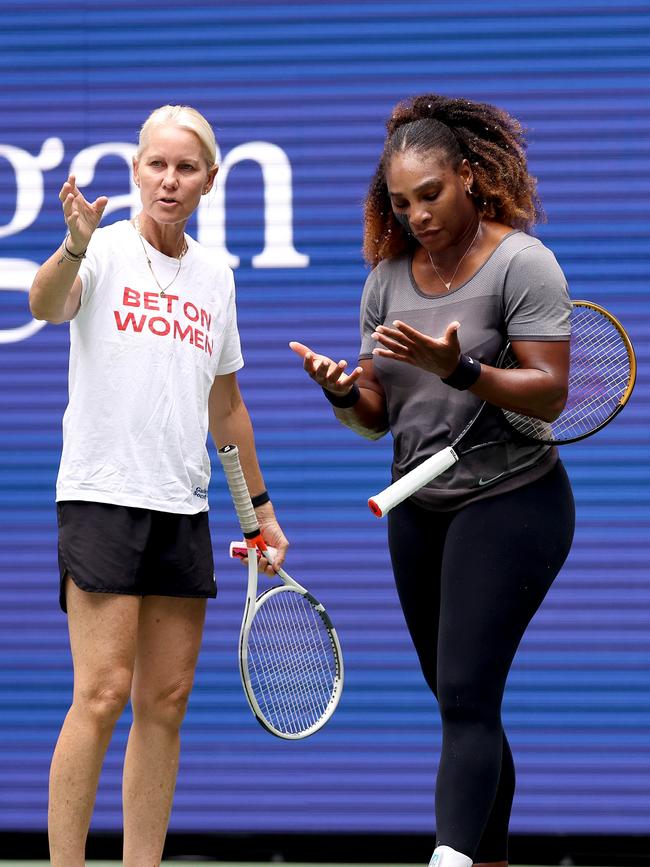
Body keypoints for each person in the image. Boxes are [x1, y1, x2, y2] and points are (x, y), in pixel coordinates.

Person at [290, 93, 575, 867]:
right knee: (463, 703)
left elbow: (551, 391)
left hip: (515, 501)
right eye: (401, 200)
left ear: (472, 178)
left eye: (431, 194)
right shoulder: (385, 279)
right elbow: (379, 416)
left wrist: (462, 367)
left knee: (465, 694)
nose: (417, 214)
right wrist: (344, 391)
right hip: (420, 507)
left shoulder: (523, 262)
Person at [29, 104, 288, 867]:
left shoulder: (216, 276)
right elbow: (44, 305)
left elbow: (227, 407)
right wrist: (73, 243)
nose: (168, 180)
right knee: (102, 694)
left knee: (164, 704)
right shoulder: (100, 252)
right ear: (136, 169)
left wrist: (259, 512)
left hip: (186, 506)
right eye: (156, 164)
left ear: (208, 181)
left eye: (185, 168)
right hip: (103, 498)